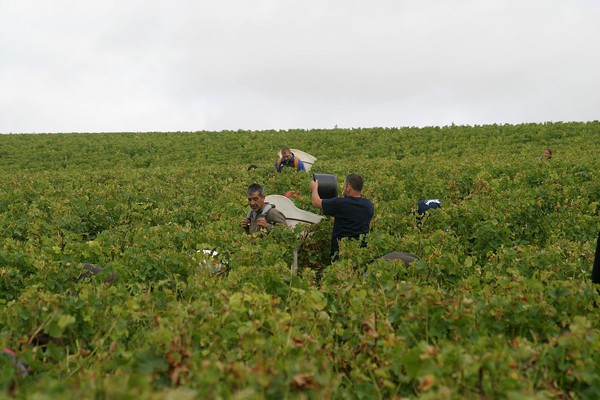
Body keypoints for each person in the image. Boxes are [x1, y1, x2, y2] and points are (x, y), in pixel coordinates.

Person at [309, 173, 374, 261]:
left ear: (348, 187)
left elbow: (316, 202)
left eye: (344, 185)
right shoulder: (369, 205)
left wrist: (314, 188)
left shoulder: (340, 203)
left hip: (340, 253)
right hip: (361, 254)